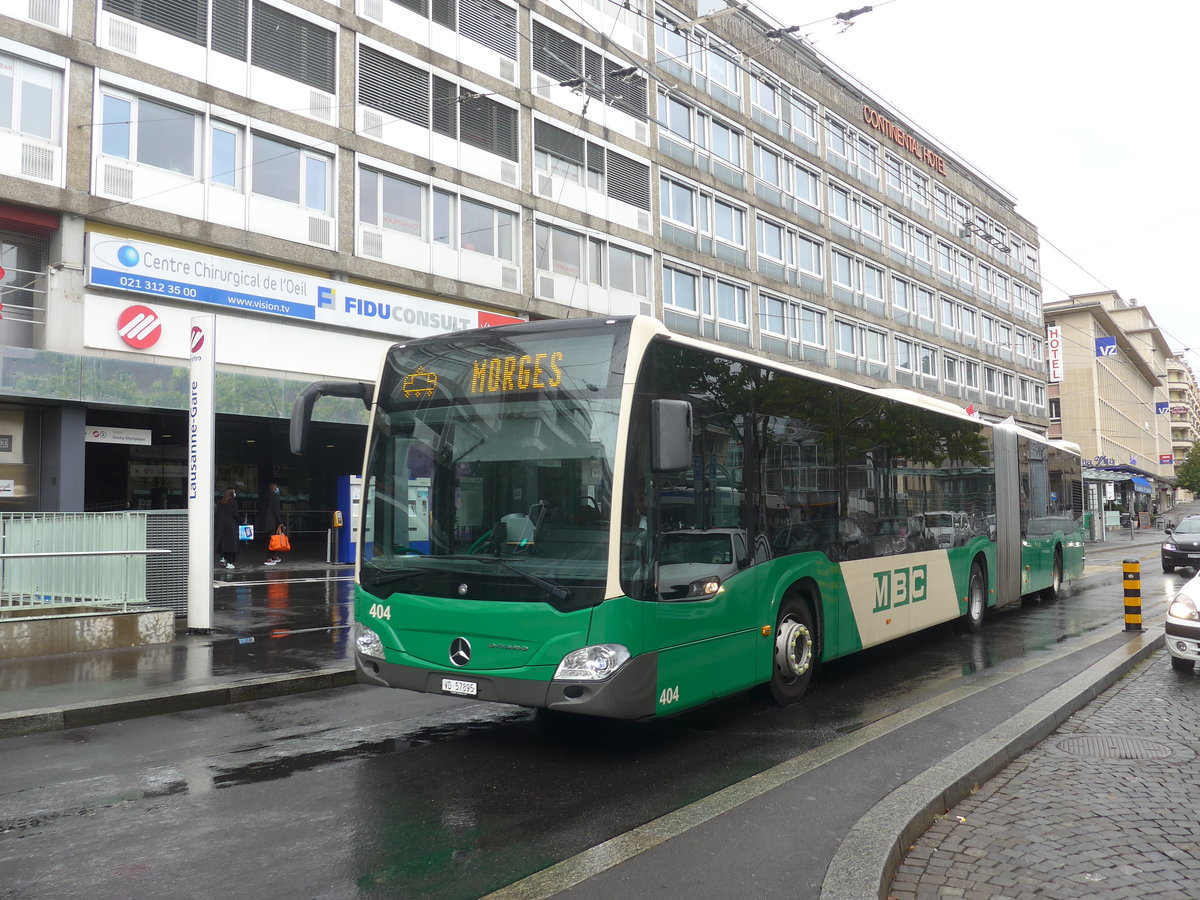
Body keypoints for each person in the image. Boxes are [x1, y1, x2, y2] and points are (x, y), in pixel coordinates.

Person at [260, 482, 285, 565]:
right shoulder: (275, 497)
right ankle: (268, 557)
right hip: (273, 521)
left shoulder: (266, 497)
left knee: (271, 539)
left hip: (267, 521)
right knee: (271, 540)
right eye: (276, 488)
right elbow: (276, 511)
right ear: (274, 489)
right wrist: (280, 522)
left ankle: (273, 555)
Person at [215, 488, 240, 569]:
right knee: (232, 545)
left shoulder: (220, 503)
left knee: (223, 543)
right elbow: (235, 514)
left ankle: (223, 558)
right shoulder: (234, 503)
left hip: (222, 526)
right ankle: (230, 562)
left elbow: (218, 515)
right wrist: (242, 520)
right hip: (231, 526)